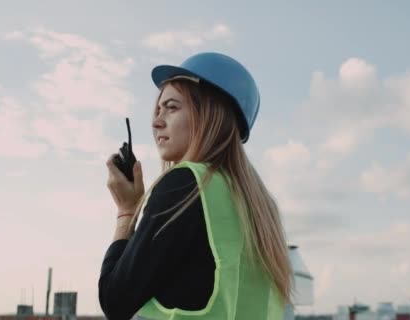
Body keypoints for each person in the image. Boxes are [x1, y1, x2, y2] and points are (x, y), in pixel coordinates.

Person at [99, 52, 293, 320]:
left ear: (210, 113)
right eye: (157, 110)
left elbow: (115, 300)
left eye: (171, 107)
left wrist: (126, 211)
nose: (156, 122)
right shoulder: (261, 208)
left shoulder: (185, 184)